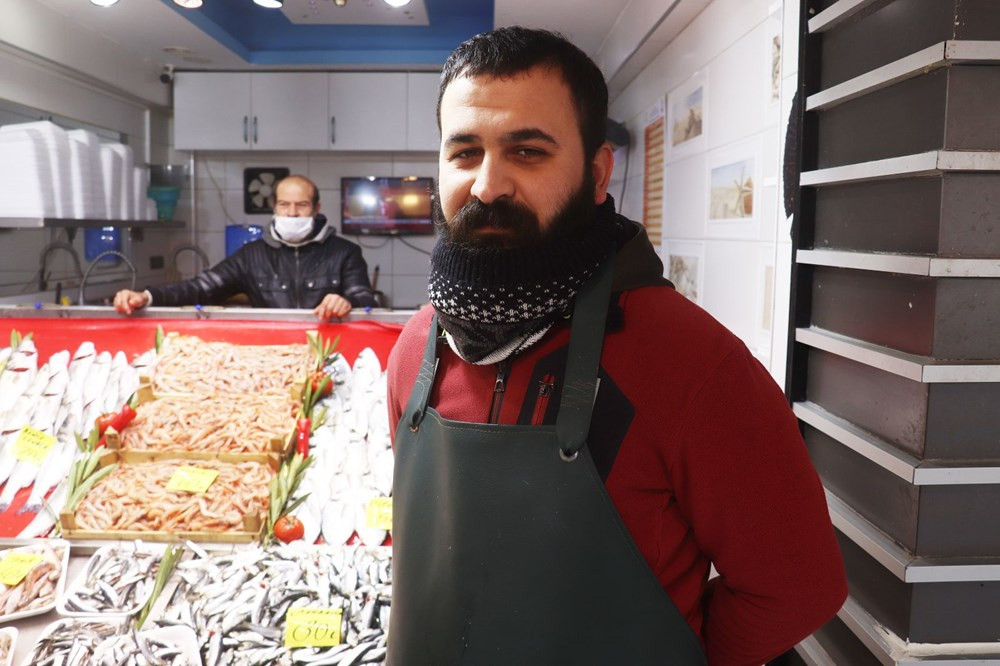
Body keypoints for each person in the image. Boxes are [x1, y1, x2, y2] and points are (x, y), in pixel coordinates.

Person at [386, 27, 847, 665]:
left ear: (598, 173)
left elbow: (797, 588)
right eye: (465, 152)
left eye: (527, 151)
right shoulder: (415, 349)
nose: (489, 185)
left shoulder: (690, 361)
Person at [113, 175, 377, 319]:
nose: (293, 213)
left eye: (302, 205)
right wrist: (147, 297)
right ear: (274, 207)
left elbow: (366, 299)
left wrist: (346, 301)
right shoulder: (252, 255)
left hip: (332, 349)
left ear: (316, 209)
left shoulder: (344, 252)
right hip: (273, 350)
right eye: (284, 205)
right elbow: (200, 287)